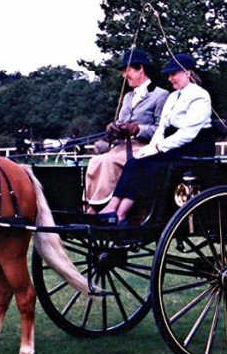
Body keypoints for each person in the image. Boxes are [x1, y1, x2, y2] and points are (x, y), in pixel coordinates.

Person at [97, 53, 214, 225]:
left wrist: (159, 148)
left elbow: (187, 133)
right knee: (135, 161)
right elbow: (162, 127)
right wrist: (150, 148)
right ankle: (112, 207)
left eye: (174, 74)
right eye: (169, 74)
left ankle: (121, 214)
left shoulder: (200, 96)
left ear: (187, 73)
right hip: (175, 144)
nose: (170, 78)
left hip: (194, 147)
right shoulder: (174, 96)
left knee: (146, 166)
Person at [85, 49, 168, 212]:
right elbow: (121, 121)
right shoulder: (128, 96)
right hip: (121, 146)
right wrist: (113, 128)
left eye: (127, 70)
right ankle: (92, 205)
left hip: (143, 147)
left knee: (108, 162)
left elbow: (161, 129)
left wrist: (137, 129)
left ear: (140, 69)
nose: (124, 75)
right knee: (95, 161)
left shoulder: (161, 95)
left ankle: (104, 207)